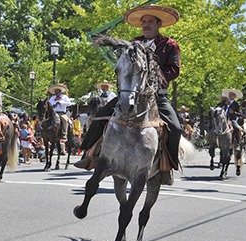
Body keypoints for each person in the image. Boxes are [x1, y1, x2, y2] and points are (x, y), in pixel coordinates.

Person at [75, 4, 182, 185]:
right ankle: (90, 155)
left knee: (176, 127)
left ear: (159, 24)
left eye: (150, 21)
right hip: (132, 92)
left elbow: (174, 69)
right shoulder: (134, 44)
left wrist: (156, 78)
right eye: (144, 22)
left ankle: (168, 166)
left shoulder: (170, 45)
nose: (146, 25)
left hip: (157, 95)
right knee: (100, 115)